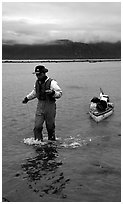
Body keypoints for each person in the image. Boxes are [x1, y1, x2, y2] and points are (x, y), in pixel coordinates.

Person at [22, 65, 62, 141]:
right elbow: (35, 92)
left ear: (44, 73)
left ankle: (52, 142)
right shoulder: (37, 83)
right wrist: (27, 98)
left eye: (39, 74)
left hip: (50, 106)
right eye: (36, 74)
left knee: (50, 127)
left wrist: (53, 93)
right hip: (40, 106)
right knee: (37, 126)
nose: (38, 76)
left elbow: (59, 93)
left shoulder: (52, 83)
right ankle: (38, 142)